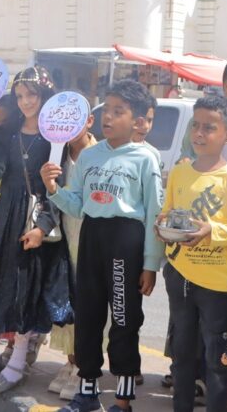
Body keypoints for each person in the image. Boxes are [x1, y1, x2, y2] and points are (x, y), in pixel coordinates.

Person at [45, 80, 165, 411]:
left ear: (139, 121)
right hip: (92, 237)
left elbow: (155, 212)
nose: (107, 118)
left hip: (126, 241)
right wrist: (52, 187)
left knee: (124, 320)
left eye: (118, 111)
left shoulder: (146, 159)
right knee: (88, 316)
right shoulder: (89, 156)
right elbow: (77, 203)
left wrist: (151, 265)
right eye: (105, 110)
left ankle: (124, 399)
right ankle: (87, 391)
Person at [0, 66, 73, 394]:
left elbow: (56, 187)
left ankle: (18, 362)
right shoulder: (6, 131)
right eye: (20, 95)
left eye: (32, 94)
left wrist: (42, 227)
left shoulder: (56, 138)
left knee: (22, 291)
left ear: (45, 95)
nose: (25, 102)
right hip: (0, 218)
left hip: (29, 222)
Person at [160, 94, 227, 412]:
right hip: (180, 276)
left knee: (219, 358)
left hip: (216, 282)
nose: (199, 133)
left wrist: (210, 231)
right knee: (182, 355)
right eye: (195, 126)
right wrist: (162, 225)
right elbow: (168, 213)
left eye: (209, 127)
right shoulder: (180, 172)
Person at [42, 111, 97, 400]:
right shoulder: (56, 154)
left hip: (90, 237)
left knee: (88, 301)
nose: (69, 127)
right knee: (65, 298)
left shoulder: (100, 154)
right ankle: (71, 361)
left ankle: (85, 366)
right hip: (62, 236)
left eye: (76, 120)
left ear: (89, 121)